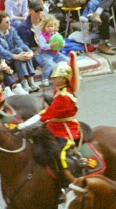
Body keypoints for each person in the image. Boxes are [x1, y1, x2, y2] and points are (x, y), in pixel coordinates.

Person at [15, 51, 81, 186]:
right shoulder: (59, 90)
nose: (53, 79)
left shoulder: (63, 96)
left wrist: (23, 125)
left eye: (57, 77)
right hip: (55, 125)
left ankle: (67, 179)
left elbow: (45, 115)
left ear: (64, 79)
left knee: (58, 152)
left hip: (65, 129)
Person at [0, 11, 38, 93]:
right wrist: (17, 56)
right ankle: (24, 81)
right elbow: (1, 51)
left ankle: (30, 79)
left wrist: (29, 52)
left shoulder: (11, 30)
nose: (9, 23)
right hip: (3, 60)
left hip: (14, 56)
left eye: (9, 21)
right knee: (18, 52)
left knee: (22, 50)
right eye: (6, 22)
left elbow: (20, 42)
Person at [36, 13, 68, 86]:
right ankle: (45, 78)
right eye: (48, 26)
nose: (50, 28)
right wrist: (50, 45)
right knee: (48, 63)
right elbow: (42, 46)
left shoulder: (55, 34)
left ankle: (68, 75)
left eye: (52, 26)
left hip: (56, 53)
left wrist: (63, 44)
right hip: (46, 53)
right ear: (44, 27)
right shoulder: (42, 36)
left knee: (66, 60)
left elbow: (61, 40)